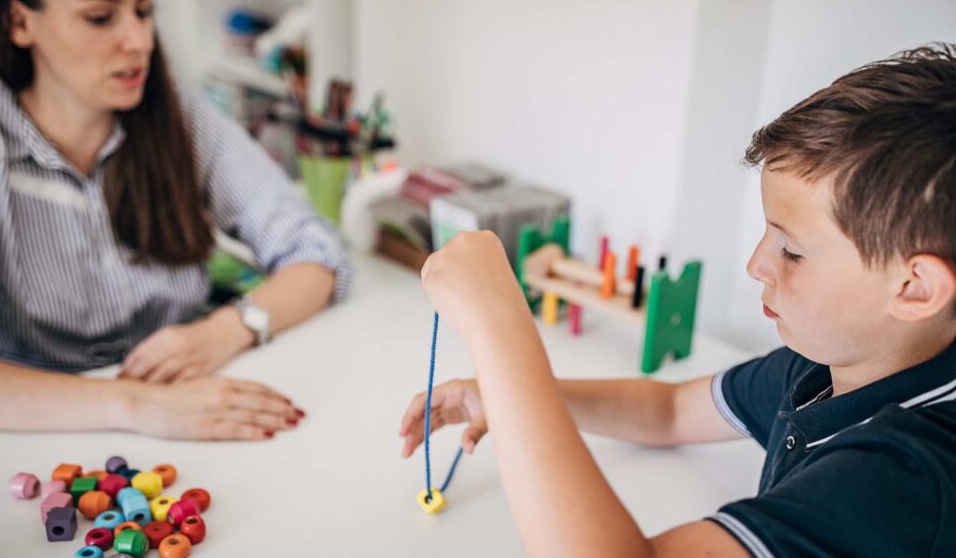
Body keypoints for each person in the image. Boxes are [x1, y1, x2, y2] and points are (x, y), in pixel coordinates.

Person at [399, 44, 956, 556]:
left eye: (791, 251)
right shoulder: (836, 362)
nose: (757, 264)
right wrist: (506, 396)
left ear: (915, 290)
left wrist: (499, 327)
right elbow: (666, 413)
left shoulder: (906, 475)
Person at [0, 0, 350, 441]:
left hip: (185, 414)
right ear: (20, 23)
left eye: (145, 11)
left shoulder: (180, 115)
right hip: (28, 434)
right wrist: (137, 405)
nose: (140, 41)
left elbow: (315, 252)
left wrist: (223, 332)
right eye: (100, 17)